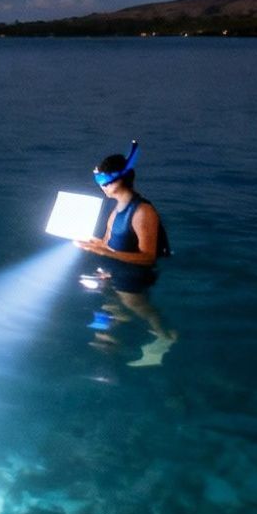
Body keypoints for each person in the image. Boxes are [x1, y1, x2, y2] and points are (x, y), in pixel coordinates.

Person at [76, 141, 176, 359]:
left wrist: (107, 253)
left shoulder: (143, 212)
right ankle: (111, 335)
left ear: (120, 179)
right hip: (117, 267)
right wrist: (94, 243)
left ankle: (165, 336)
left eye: (103, 180)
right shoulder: (116, 209)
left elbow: (148, 257)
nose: (100, 186)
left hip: (136, 273)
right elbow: (108, 241)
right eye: (97, 180)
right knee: (104, 294)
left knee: (135, 304)